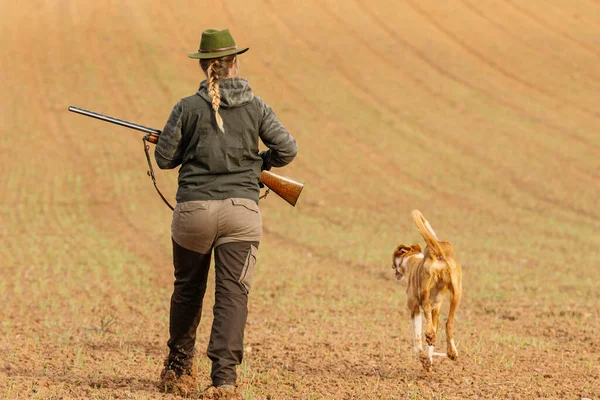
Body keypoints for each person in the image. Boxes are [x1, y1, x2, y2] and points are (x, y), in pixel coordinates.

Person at [154, 28, 298, 394]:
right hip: (241, 214)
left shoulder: (186, 108)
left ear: (204, 67)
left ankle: (178, 369)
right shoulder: (257, 105)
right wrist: (257, 164)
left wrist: (176, 141)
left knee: (187, 290)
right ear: (235, 62)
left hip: (194, 213)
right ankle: (224, 380)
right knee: (233, 294)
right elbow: (287, 149)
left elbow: (165, 158)